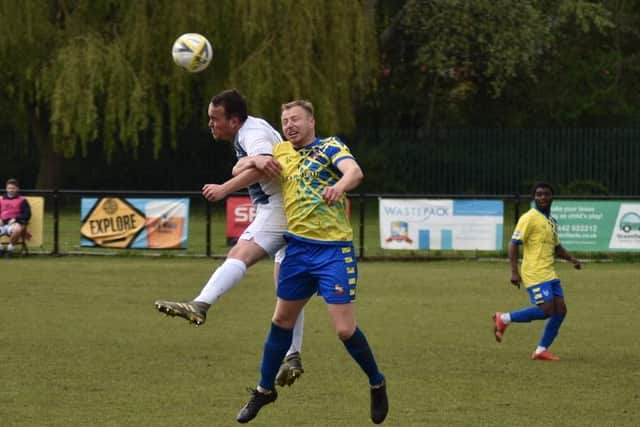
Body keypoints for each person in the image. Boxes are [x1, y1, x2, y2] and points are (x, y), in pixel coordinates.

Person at [233, 100, 388, 424]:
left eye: (295, 119)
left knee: (345, 330)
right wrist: (254, 158)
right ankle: (264, 390)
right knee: (280, 321)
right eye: (285, 120)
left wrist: (339, 186)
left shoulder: (330, 146)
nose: (289, 125)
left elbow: (354, 171)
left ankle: (376, 381)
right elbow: (239, 170)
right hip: (298, 251)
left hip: (333, 251)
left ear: (311, 121)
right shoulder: (281, 152)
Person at [153, 89, 304, 386]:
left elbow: (263, 162)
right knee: (287, 293)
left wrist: (225, 188)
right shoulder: (249, 131)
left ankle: (200, 304)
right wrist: (247, 164)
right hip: (291, 208)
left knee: (239, 256)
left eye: (215, 118)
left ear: (234, 121)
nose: (210, 124)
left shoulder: (253, 132)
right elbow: (257, 163)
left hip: (278, 208)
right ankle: (293, 356)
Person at [493, 182, 581, 361]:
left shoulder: (551, 222)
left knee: (561, 311)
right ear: (534, 197)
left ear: (551, 197)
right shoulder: (529, 217)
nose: (542, 197)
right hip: (534, 272)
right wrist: (514, 272)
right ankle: (504, 318)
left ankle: (541, 350)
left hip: (550, 273)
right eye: (539, 194)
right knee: (546, 310)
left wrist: (572, 259)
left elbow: (556, 247)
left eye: (546, 194)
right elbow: (513, 243)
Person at [0, 178, 31, 258]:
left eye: (13, 188)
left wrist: (16, 219)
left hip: (15, 224)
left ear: (17, 189)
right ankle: (0, 248)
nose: (11, 190)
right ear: (6, 188)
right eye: (9, 188)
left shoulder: (22, 200)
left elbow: (27, 214)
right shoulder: (1, 199)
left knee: (17, 229)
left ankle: (10, 249)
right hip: (2, 223)